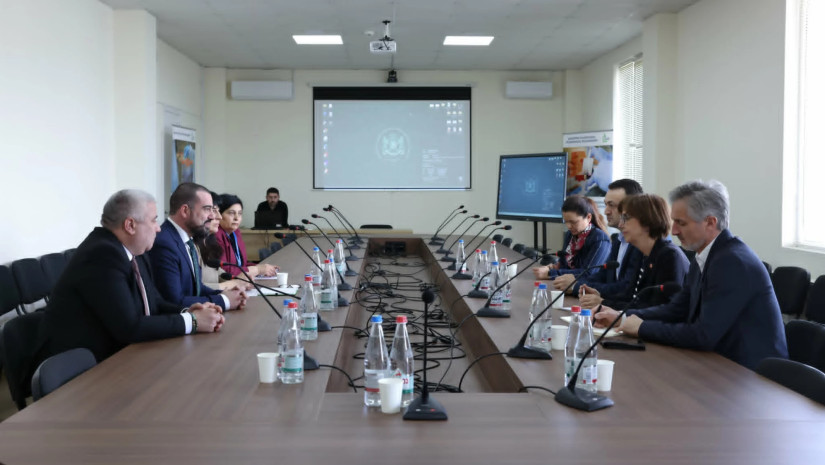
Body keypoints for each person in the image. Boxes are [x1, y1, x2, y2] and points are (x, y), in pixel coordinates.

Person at [593, 180, 788, 370]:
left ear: (710, 222)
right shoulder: (704, 255)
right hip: (720, 363)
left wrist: (641, 327)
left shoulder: (733, 262)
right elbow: (677, 309)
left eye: (681, 223)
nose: (674, 230)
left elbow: (704, 334)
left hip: (750, 373)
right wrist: (622, 317)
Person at [42, 189, 225, 362]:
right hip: (84, 365)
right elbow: (129, 327)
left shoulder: (134, 251)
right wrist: (193, 322)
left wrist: (188, 312)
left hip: (122, 354)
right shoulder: (102, 255)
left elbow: (154, 302)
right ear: (130, 225)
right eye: (153, 221)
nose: (158, 228)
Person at [580, 193, 689, 309]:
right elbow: (631, 297)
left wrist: (604, 303)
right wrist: (601, 297)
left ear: (647, 221)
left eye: (626, 218)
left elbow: (658, 309)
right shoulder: (643, 253)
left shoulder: (669, 256)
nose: (621, 224)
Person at [148, 182, 247, 311]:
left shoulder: (188, 239)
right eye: (207, 209)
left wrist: (226, 294)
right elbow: (174, 301)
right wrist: (225, 301)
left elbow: (197, 288)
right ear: (185, 211)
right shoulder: (165, 244)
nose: (213, 216)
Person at [552, 179, 644, 296]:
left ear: (632, 207)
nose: (606, 211)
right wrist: (575, 283)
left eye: (611, 205)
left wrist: (576, 286)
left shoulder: (640, 244)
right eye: (606, 205)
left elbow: (625, 289)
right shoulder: (618, 240)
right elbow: (601, 276)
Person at [533, 195, 611, 279]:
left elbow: (588, 273)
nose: (569, 226)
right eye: (566, 221)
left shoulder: (600, 239)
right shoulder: (570, 235)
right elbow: (563, 264)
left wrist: (550, 274)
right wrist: (553, 267)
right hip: (567, 284)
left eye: (573, 222)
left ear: (588, 217)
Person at [195, 192, 253, 291]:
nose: (219, 217)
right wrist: (233, 283)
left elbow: (218, 272)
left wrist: (238, 281)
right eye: (214, 211)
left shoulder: (209, 241)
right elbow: (194, 288)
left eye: (240, 213)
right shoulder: (191, 245)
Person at [217, 193, 279, 278]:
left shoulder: (236, 233)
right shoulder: (216, 235)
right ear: (219, 215)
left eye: (240, 213)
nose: (236, 218)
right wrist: (258, 270)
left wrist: (263, 268)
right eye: (231, 213)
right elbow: (225, 271)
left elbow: (242, 264)